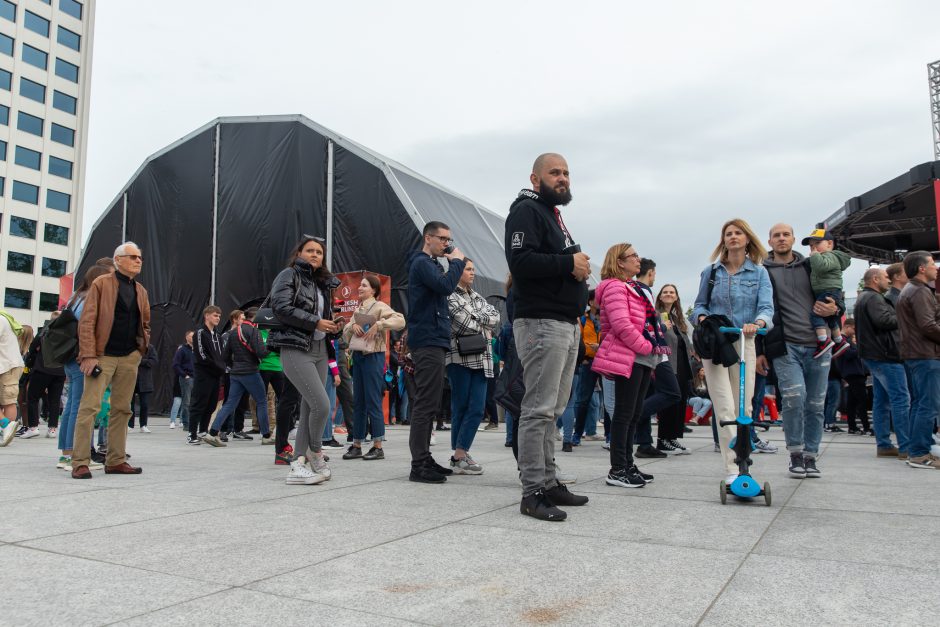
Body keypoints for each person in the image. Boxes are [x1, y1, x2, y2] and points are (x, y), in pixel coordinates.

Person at [504, 153, 590, 520]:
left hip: (564, 322)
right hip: (541, 322)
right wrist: (568, 264)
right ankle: (533, 492)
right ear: (535, 178)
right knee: (538, 409)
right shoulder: (526, 210)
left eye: (567, 172)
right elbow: (520, 262)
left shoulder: (552, 215)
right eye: (555, 173)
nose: (563, 178)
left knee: (552, 410)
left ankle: (550, 482)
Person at [692, 219, 773, 485]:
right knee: (724, 405)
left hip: (744, 341)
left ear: (747, 238)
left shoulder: (759, 273)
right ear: (723, 240)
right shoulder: (711, 272)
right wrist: (703, 320)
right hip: (715, 343)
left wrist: (758, 324)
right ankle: (732, 468)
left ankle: (744, 461)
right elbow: (698, 306)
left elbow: (767, 309)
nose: (733, 237)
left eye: (738, 233)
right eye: (728, 233)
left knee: (744, 405)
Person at [761, 224, 839, 478]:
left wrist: (835, 308)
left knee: (816, 403)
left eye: (786, 235)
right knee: (795, 398)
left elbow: (833, 290)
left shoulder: (811, 265)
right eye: (777, 235)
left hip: (818, 344)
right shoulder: (762, 272)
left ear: (794, 239)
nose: (782, 238)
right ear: (770, 241)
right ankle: (795, 452)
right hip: (785, 345)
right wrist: (761, 351)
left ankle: (810, 456)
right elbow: (759, 310)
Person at [71, 242, 151, 479]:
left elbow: (145, 324)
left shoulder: (141, 291)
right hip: (101, 356)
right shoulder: (101, 284)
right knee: (89, 408)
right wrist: (88, 355)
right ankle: (80, 462)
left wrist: (140, 350)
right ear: (118, 260)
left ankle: (115, 460)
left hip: (128, 357)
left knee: (122, 409)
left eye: (140, 257)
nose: (138, 260)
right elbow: (87, 321)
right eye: (133, 257)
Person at [267, 235, 339, 485]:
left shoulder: (322, 284)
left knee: (311, 408)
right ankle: (315, 452)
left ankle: (298, 463)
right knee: (322, 404)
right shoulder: (289, 275)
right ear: (299, 253)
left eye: (319, 252)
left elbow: (322, 316)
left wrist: (332, 325)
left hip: (320, 347)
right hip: (296, 347)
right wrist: (315, 322)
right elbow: (281, 307)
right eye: (310, 250)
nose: (315, 255)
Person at [406, 221, 466, 484]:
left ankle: (424, 457)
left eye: (448, 239)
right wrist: (457, 263)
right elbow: (445, 287)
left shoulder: (430, 264)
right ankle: (418, 464)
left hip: (435, 338)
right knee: (425, 403)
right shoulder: (421, 262)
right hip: (427, 339)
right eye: (442, 239)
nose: (446, 244)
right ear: (428, 238)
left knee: (430, 402)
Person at [592, 243, 657, 488]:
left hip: (639, 355)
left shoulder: (631, 287)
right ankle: (617, 469)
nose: (638, 260)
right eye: (633, 256)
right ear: (620, 262)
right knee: (623, 414)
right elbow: (621, 324)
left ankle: (627, 464)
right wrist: (646, 345)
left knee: (633, 414)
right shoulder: (615, 287)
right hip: (629, 354)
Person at [444, 258, 500, 473]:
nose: (472, 273)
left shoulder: (477, 296)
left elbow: (496, 317)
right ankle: (460, 454)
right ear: (457, 271)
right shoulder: (449, 295)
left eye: (474, 269)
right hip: (459, 357)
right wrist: (482, 320)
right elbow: (462, 324)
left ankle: (460, 453)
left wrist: (477, 317)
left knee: (476, 408)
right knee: (461, 406)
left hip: (483, 359)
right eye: (468, 269)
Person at [341, 274, 405, 460]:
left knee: (372, 401)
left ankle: (378, 446)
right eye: (360, 285)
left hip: (373, 357)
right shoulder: (358, 310)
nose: (359, 288)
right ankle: (357, 444)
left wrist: (380, 324)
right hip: (358, 357)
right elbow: (345, 333)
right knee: (358, 401)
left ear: (374, 290)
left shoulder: (379, 306)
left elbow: (400, 320)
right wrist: (352, 328)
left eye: (364, 285)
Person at [854, 266, 908, 458]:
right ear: (875, 279)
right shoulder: (874, 298)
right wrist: (905, 315)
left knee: (882, 401)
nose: (889, 281)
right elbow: (884, 321)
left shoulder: (865, 298)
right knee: (901, 399)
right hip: (885, 356)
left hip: (874, 355)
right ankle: (906, 446)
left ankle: (884, 444)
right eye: (886, 277)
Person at [631, 259, 682, 457]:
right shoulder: (642, 291)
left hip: (652, 352)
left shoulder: (639, 290)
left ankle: (644, 443)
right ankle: (633, 416)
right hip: (654, 352)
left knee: (648, 395)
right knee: (672, 393)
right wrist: (660, 328)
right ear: (651, 273)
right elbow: (644, 323)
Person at [895, 251, 940, 470]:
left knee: (920, 404)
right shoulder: (919, 291)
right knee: (928, 405)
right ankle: (920, 453)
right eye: (932, 263)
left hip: (916, 355)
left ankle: (915, 450)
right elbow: (928, 325)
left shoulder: (911, 290)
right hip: (925, 355)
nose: (936, 267)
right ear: (922, 268)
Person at [203, 307, 273, 447]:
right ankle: (266, 436)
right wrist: (270, 347)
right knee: (262, 401)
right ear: (255, 318)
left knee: (229, 403)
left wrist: (234, 366)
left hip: (235, 373)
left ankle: (212, 433)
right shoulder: (254, 331)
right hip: (251, 371)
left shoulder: (233, 332)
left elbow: (225, 356)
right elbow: (261, 353)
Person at [655, 283, 696, 454]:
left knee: (680, 401)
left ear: (677, 296)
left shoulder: (676, 317)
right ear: (660, 296)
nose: (669, 294)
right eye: (665, 292)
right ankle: (663, 439)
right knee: (669, 401)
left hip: (682, 364)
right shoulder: (657, 314)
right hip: (667, 363)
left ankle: (673, 437)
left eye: (672, 292)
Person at [801, 227, 852, 358]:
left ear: (830, 243)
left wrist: (815, 255)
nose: (813, 248)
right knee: (830, 319)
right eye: (811, 245)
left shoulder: (830, 256)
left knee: (816, 314)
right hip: (827, 291)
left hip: (829, 290)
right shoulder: (822, 257)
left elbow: (821, 267)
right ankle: (839, 341)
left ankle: (823, 340)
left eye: (817, 243)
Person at [23, 313, 66, 439]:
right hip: (60, 370)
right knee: (55, 399)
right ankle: (52, 428)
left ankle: (33, 427)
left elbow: (32, 347)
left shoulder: (45, 331)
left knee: (33, 397)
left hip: (43, 368)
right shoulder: (67, 333)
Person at [188, 306, 225, 445]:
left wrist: (222, 368)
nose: (218, 318)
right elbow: (202, 356)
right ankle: (191, 434)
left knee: (210, 405)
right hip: (204, 375)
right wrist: (218, 367)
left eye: (219, 316)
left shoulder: (218, 335)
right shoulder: (200, 333)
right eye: (215, 315)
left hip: (216, 376)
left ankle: (203, 430)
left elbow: (221, 355)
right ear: (207, 316)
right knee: (198, 403)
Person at [572, 290, 603, 446]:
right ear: (590, 302)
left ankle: (610, 436)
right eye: (598, 299)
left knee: (608, 401)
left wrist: (601, 347)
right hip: (588, 362)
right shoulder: (583, 320)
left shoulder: (607, 319)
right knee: (583, 400)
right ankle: (577, 434)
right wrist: (583, 357)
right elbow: (578, 340)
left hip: (605, 361)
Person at [835, 319, 870, 434]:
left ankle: (853, 426)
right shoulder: (842, 340)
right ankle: (866, 426)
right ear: (848, 326)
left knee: (853, 401)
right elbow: (848, 354)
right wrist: (860, 348)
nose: (855, 332)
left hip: (854, 373)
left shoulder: (847, 340)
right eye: (854, 329)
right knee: (862, 400)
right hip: (853, 373)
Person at [0, 310, 25, 447]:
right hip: (8, 365)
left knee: (8, 401)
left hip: (7, 366)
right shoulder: (4, 317)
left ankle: (6, 426)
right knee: (7, 401)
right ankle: (6, 430)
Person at [169, 331, 195, 430]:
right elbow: (175, 364)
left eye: (194, 336)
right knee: (186, 402)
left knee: (194, 401)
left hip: (196, 378)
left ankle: (193, 422)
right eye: (191, 336)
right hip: (187, 379)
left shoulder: (197, 350)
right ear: (186, 337)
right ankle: (186, 423)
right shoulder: (182, 350)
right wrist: (184, 375)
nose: (193, 338)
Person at [129, 343, 157, 432]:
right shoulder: (132, 346)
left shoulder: (151, 348)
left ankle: (143, 425)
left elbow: (154, 361)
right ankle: (130, 425)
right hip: (131, 379)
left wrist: (140, 361)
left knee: (144, 404)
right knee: (130, 404)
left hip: (145, 380)